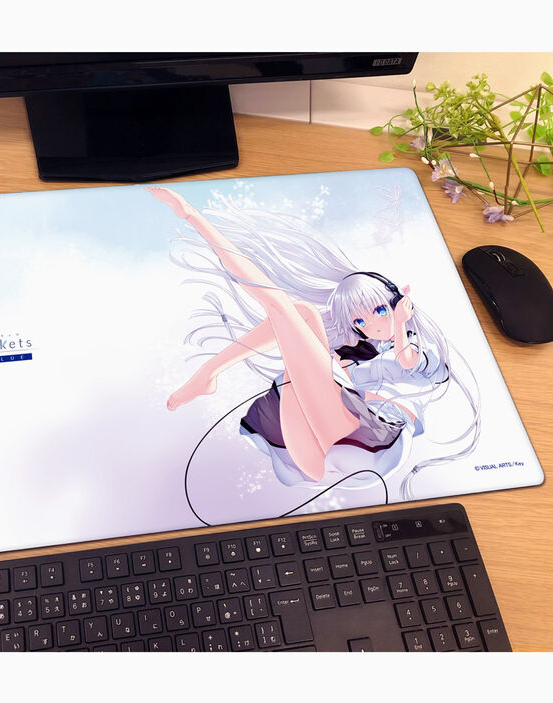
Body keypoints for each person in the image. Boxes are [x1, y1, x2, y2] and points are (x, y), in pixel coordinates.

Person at [147, 185, 480, 500]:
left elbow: (406, 361)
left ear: (399, 300)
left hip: (376, 444)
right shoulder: (355, 359)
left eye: (379, 310)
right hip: (322, 454)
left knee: (285, 308)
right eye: (360, 322)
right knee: (299, 314)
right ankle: (209, 373)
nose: (372, 325)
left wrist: (400, 321)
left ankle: (207, 371)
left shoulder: (419, 349)